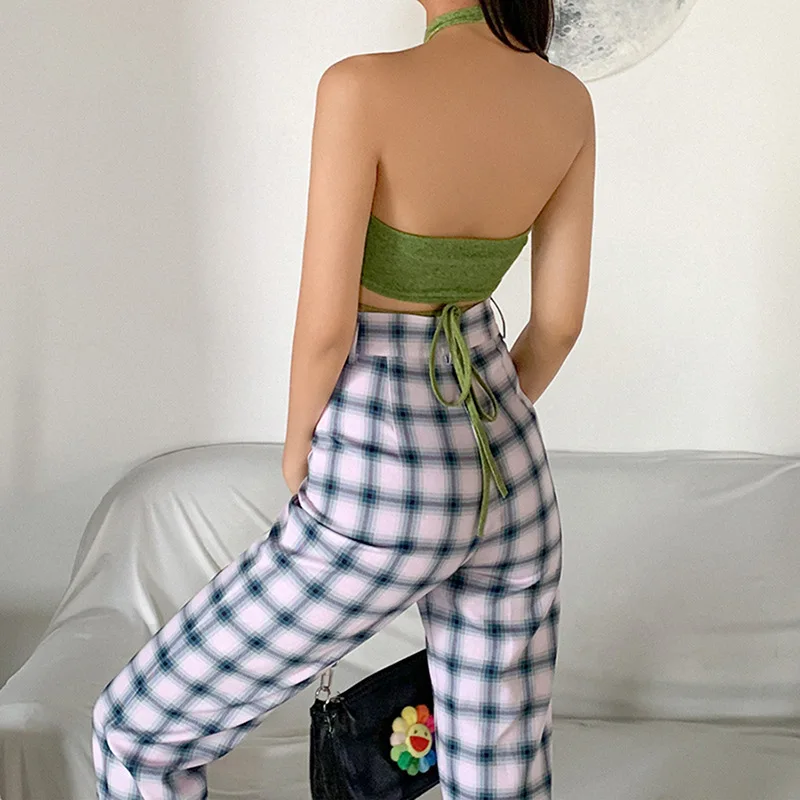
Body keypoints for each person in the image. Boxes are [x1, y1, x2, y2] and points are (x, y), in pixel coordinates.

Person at [91, 1, 595, 797]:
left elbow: (327, 328)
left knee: (137, 734)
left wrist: (300, 449)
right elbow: (559, 325)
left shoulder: (361, 87)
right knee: (498, 776)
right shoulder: (566, 99)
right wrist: (471, 430)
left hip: (383, 464)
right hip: (512, 469)